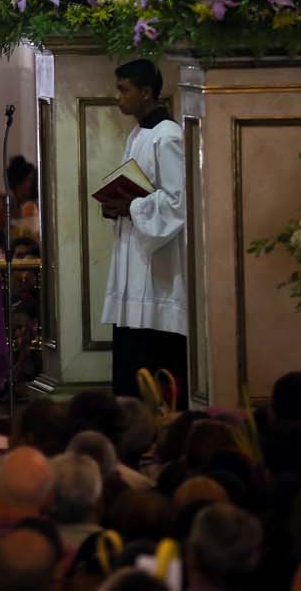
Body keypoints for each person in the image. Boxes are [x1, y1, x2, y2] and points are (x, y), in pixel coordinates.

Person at [100, 59, 188, 407]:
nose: (118, 96)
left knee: (155, 356)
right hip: (135, 254)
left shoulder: (168, 136)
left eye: (124, 89)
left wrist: (132, 208)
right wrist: (115, 204)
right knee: (131, 351)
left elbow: (178, 201)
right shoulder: (139, 133)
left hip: (158, 267)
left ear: (147, 93)